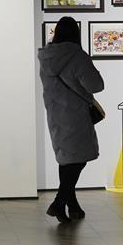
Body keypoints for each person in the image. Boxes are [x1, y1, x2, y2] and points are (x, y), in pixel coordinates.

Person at [38, 17, 104, 223]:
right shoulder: (76, 55)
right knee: (78, 160)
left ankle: (72, 205)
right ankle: (59, 203)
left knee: (67, 159)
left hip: (56, 113)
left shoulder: (47, 57)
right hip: (75, 114)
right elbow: (96, 85)